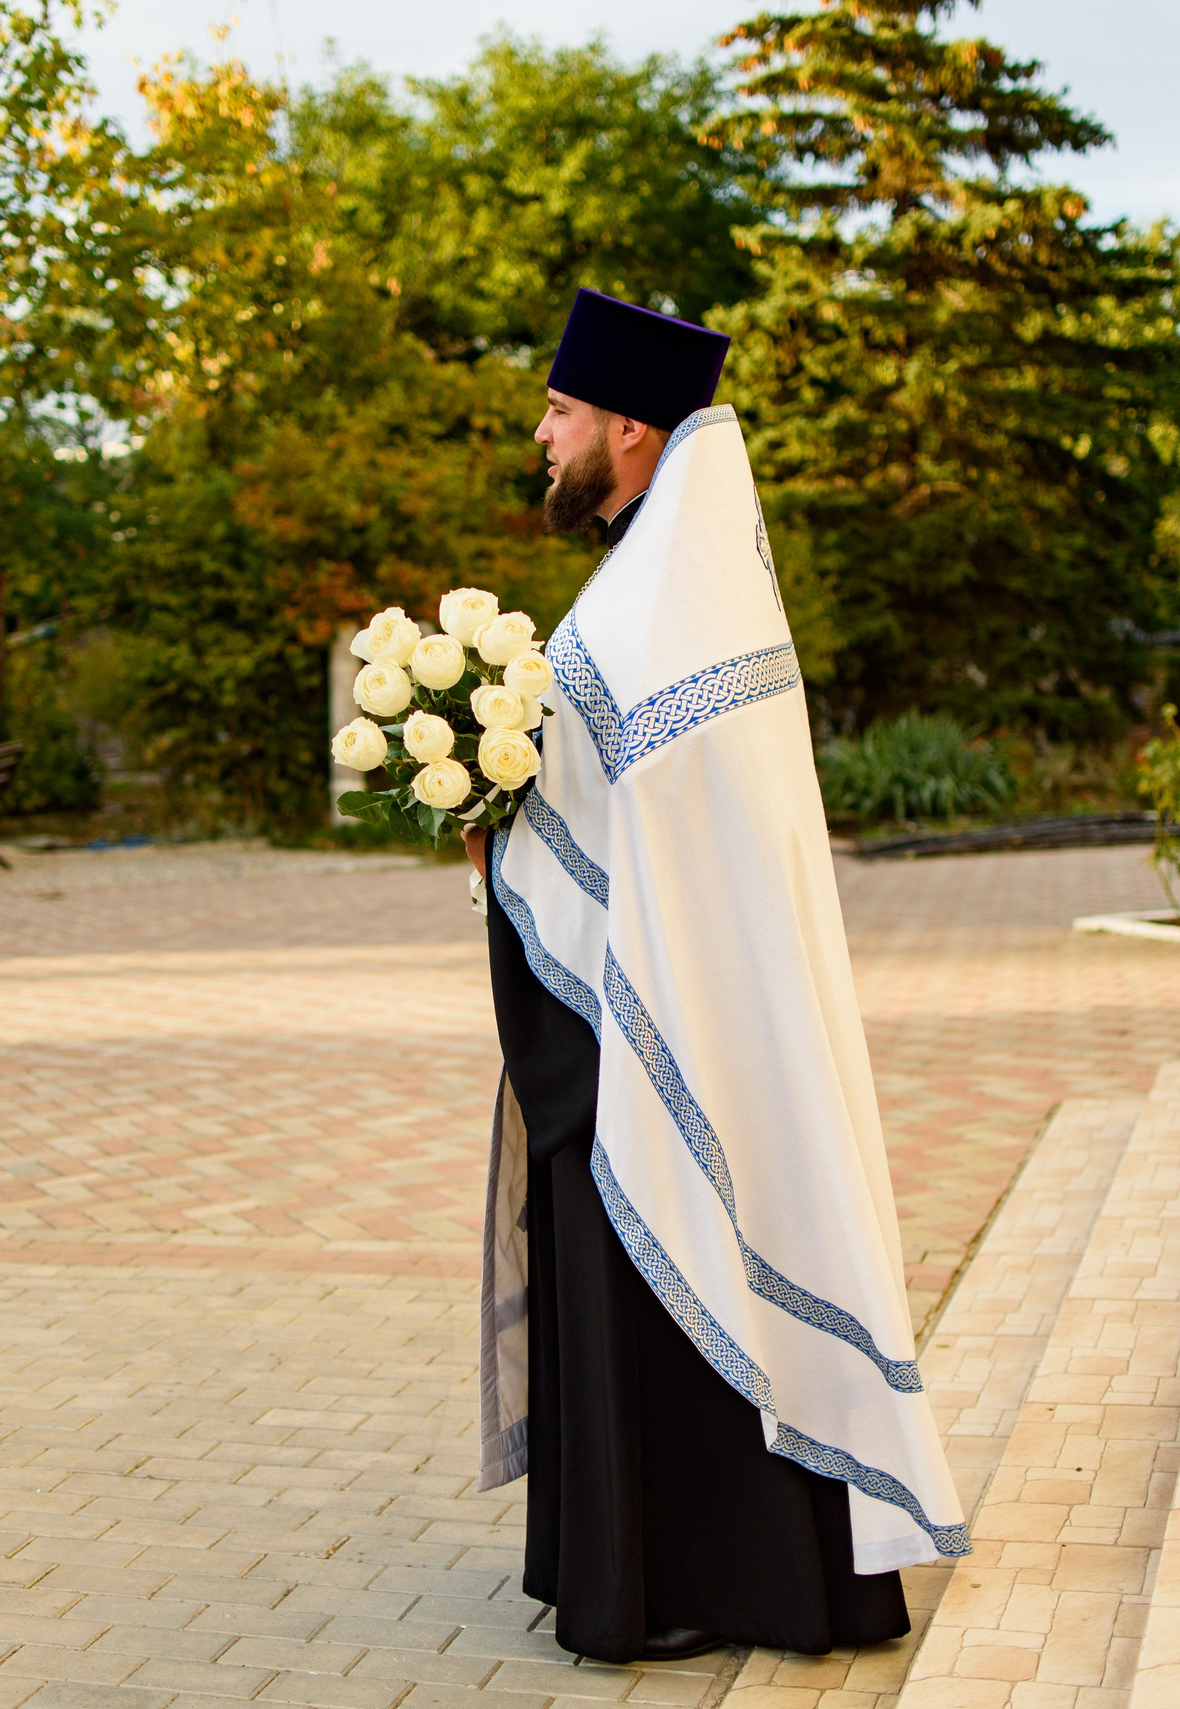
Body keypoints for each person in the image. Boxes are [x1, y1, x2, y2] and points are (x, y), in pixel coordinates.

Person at [468, 289, 968, 1666]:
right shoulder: (649, 573)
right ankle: (647, 1564)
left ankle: (702, 1573)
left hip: (658, 1023)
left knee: (681, 1239)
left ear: (633, 426)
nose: (542, 432)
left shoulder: (673, 598)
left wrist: (510, 793)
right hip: (625, 1011)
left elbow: (669, 810)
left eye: (562, 411)